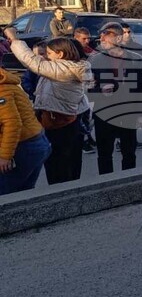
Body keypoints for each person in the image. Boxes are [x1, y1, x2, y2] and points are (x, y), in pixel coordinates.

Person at [5, 29, 91, 185]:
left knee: (60, 167)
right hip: (61, 122)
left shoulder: (65, 70)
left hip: (60, 124)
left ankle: (62, 200)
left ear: (60, 55)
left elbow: (32, 62)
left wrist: (14, 39)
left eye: (49, 54)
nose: (46, 57)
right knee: (65, 165)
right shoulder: (66, 68)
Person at [92, 22, 138, 175]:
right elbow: (85, 88)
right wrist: (100, 90)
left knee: (129, 152)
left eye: (106, 35)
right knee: (104, 154)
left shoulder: (135, 59)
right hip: (104, 113)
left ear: (118, 38)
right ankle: (106, 188)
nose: (102, 39)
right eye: (101, 35)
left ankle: (129, 186)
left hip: (128, 112)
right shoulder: (94, 61)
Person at [0, 68, 51, 195]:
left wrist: (5, 156)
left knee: (8, 194)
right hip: (33, 143)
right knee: (23, 194)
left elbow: (12, 123)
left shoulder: (2, 91)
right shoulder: (7, 85)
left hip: (24, 146)